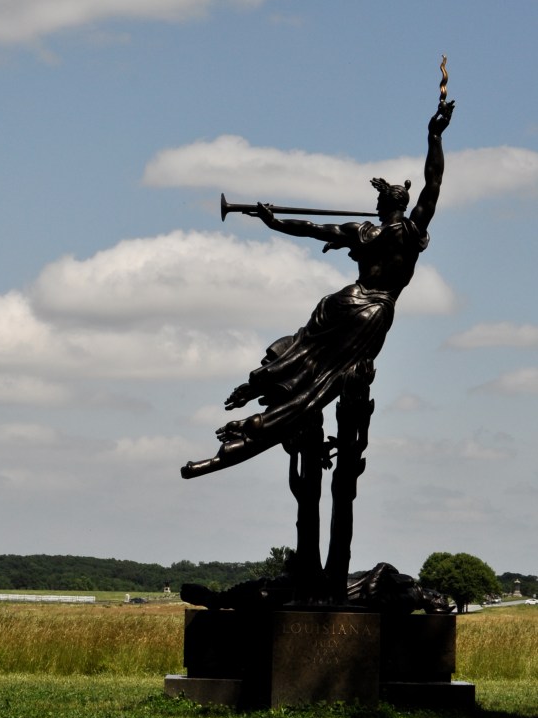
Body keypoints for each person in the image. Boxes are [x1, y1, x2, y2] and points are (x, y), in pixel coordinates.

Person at [181, 97, 454, 479]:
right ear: (403, 206)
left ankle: (266, 383)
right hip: (376, 310)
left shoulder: (363, 233)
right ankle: (273, 415)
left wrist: (272, 221)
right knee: (325, 383)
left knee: (306, 349)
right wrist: (434, 136)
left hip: (344, 301)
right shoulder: (412, 232)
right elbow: (434, 182)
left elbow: (310, 229)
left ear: (381, 205)